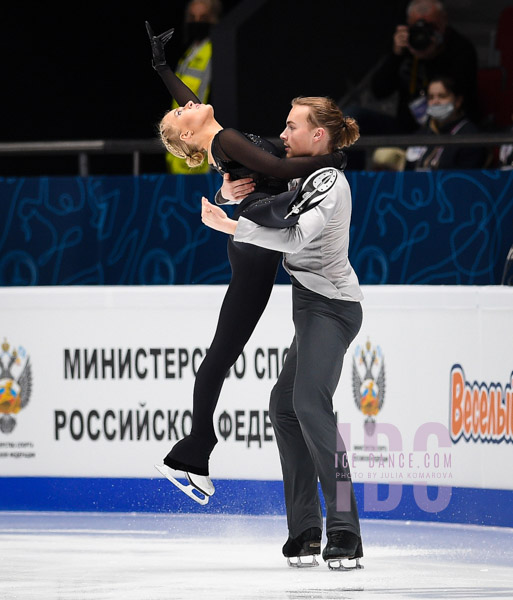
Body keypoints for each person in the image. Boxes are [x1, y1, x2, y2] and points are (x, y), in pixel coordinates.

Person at [146, 23, 346, 503]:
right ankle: (194, 451)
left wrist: (160, 66)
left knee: (221, 352)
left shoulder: (216, 139)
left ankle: (195, 450)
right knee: (221, 352)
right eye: (182, 112)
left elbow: (191, 107)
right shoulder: (227, 140)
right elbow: (277, 169)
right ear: (190, 134)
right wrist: (331, 162)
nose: (188, 103)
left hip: (254, 248)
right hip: (254, 250)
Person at [201, 96, 364, 570]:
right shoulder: (297, 173)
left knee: (309, 403)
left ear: (318, 136)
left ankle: (346, 530)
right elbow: (240, 166)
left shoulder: (328, 183)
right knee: (284, 405)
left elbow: (294, 238)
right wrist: (232, 195)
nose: (283, 135)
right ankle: (305, 530)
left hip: (333, 306)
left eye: (292, 127)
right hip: (309, 304)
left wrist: (232, 226)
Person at [345, 0, 479, 140]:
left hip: (444, 127)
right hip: (406, 127)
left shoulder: (461, 49)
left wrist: (432, 56)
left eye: (430, 26)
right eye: (416, 26)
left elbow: (463, 96)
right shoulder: (405, 48)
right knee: (352, 117)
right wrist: (395, 56)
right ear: (408, 24)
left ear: (443, 22)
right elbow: (379, 91)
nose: (423, 34)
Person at [167, 0, 223, 174]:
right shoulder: (189, 53)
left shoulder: (217, 52)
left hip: (203, 148)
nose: (197, 22)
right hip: (181, 145)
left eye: (203, 17)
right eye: (193, 17)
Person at [405, 76, 488, 170]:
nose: (435, 102)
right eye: (431, 97)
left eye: (442, 96)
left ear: (458, 101)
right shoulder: (423, 133)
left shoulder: (470, 136)